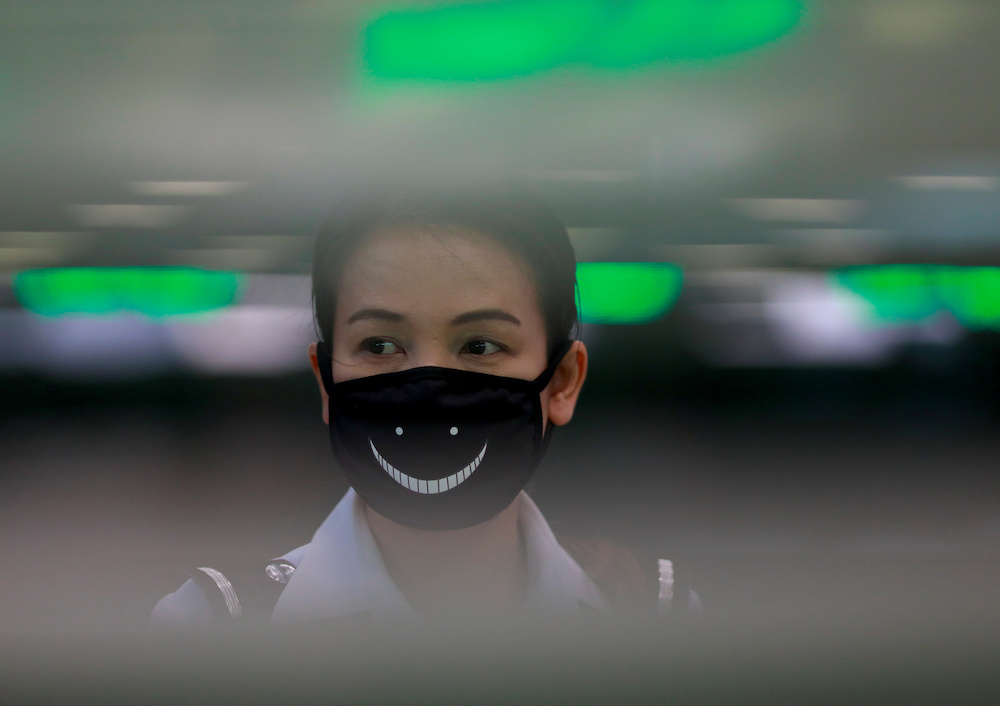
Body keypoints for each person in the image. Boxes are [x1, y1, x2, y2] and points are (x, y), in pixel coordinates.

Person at [151, 181, 679, 626]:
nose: (427, 391)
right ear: (325, 382)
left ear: (562, 382)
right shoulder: (213, 626)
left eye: (480, 346)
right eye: (380, 346)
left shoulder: (660, 619)